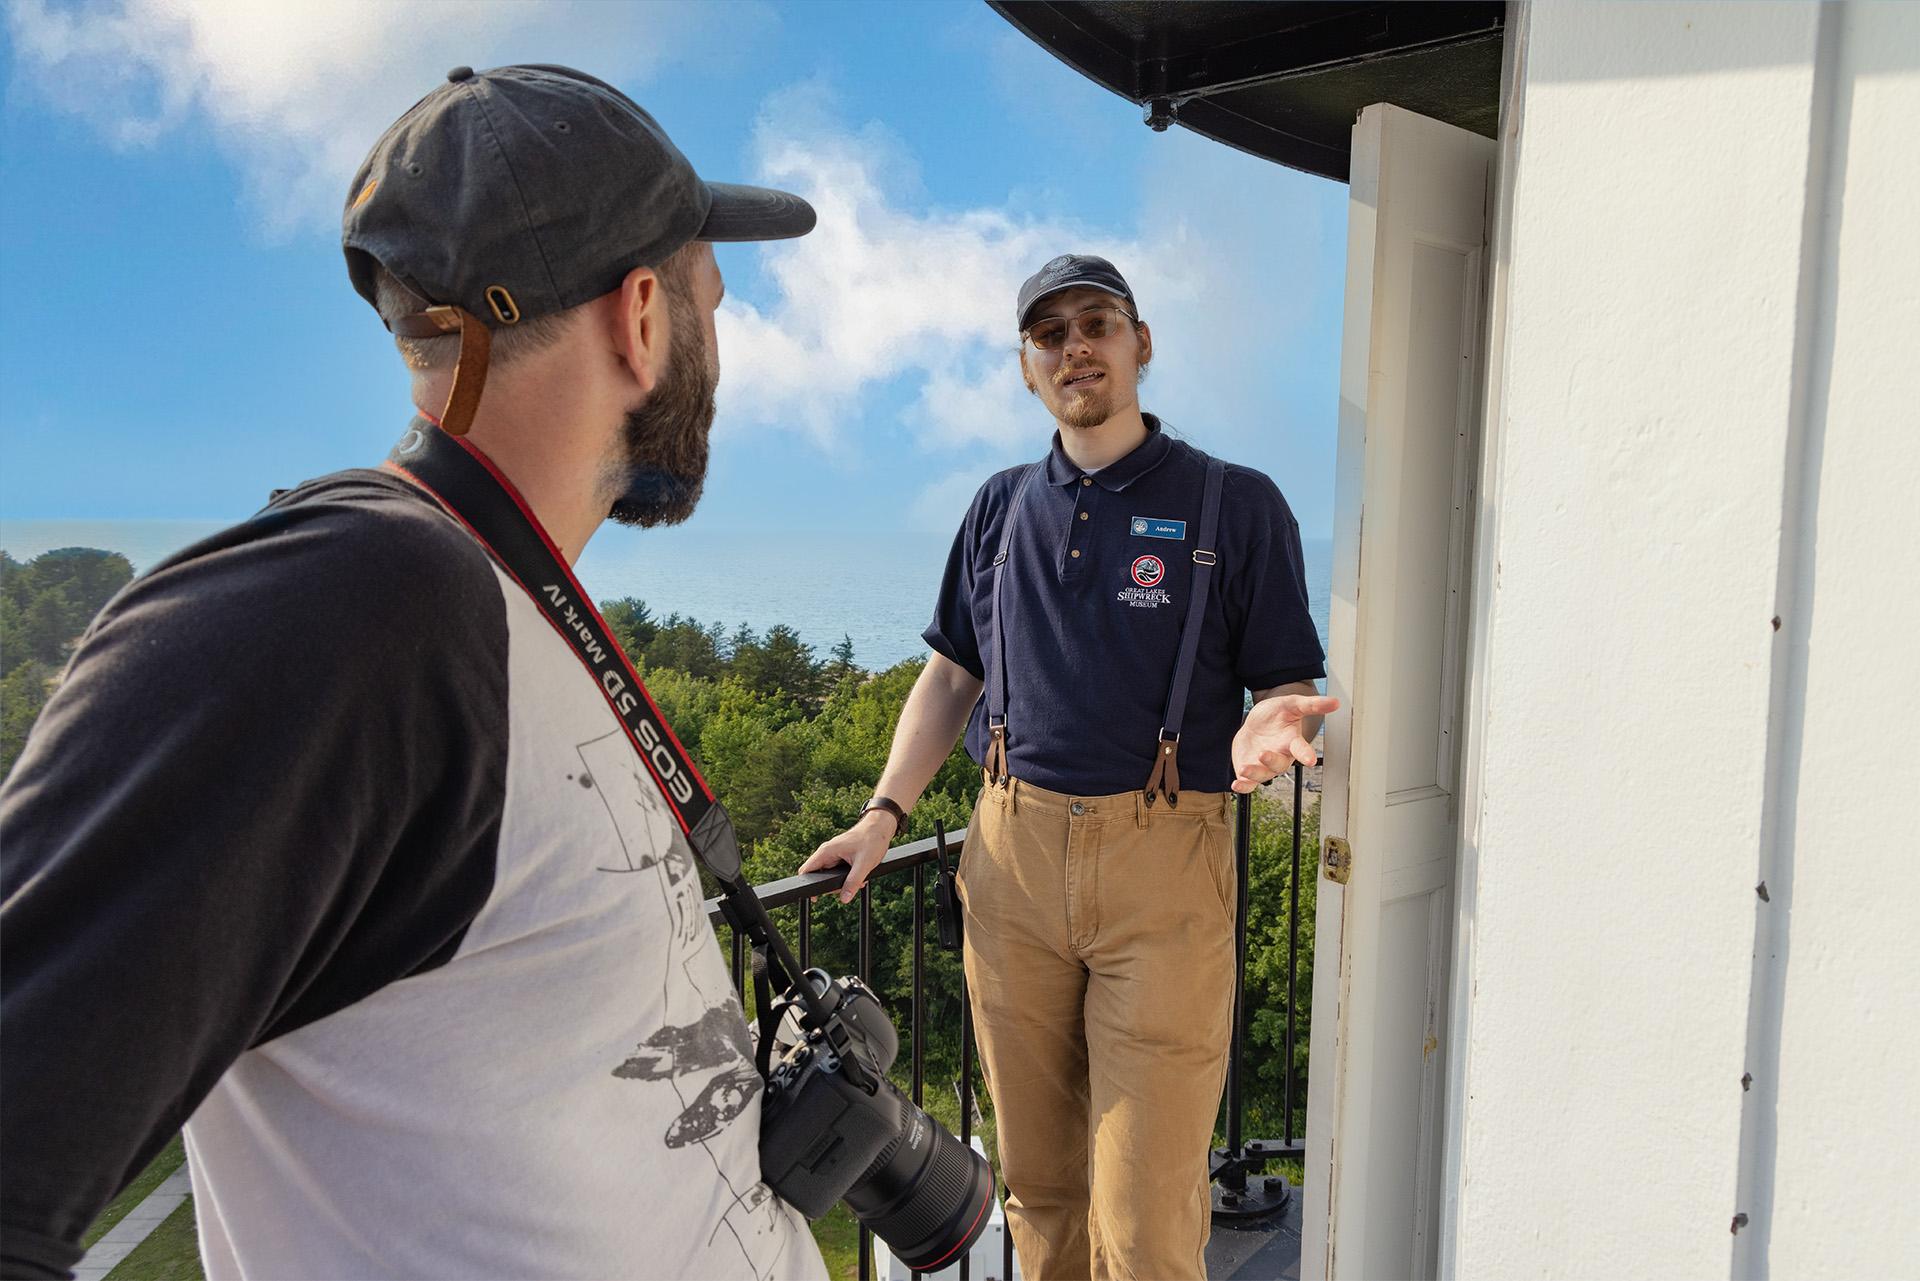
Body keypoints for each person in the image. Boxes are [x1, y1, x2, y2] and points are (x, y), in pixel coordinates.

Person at [0, 65, 827, 1281]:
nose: (719, 336)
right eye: (714, 298)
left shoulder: (489, 599)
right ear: (643, 317)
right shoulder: (345, 609)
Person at [800, 254, 1336, 1280]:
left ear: (1141, 345)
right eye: (1051, 334)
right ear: (1027, 368)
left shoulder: (1234, 505)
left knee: (1143, 1203)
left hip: (1166, 866)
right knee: (1040, 1188)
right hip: (1011, 862)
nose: (1074, 345)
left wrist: (1272, 728)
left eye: (1097, 323)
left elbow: (1282, 680)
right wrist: (882, 813)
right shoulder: (999, 508)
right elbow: (951, 677)